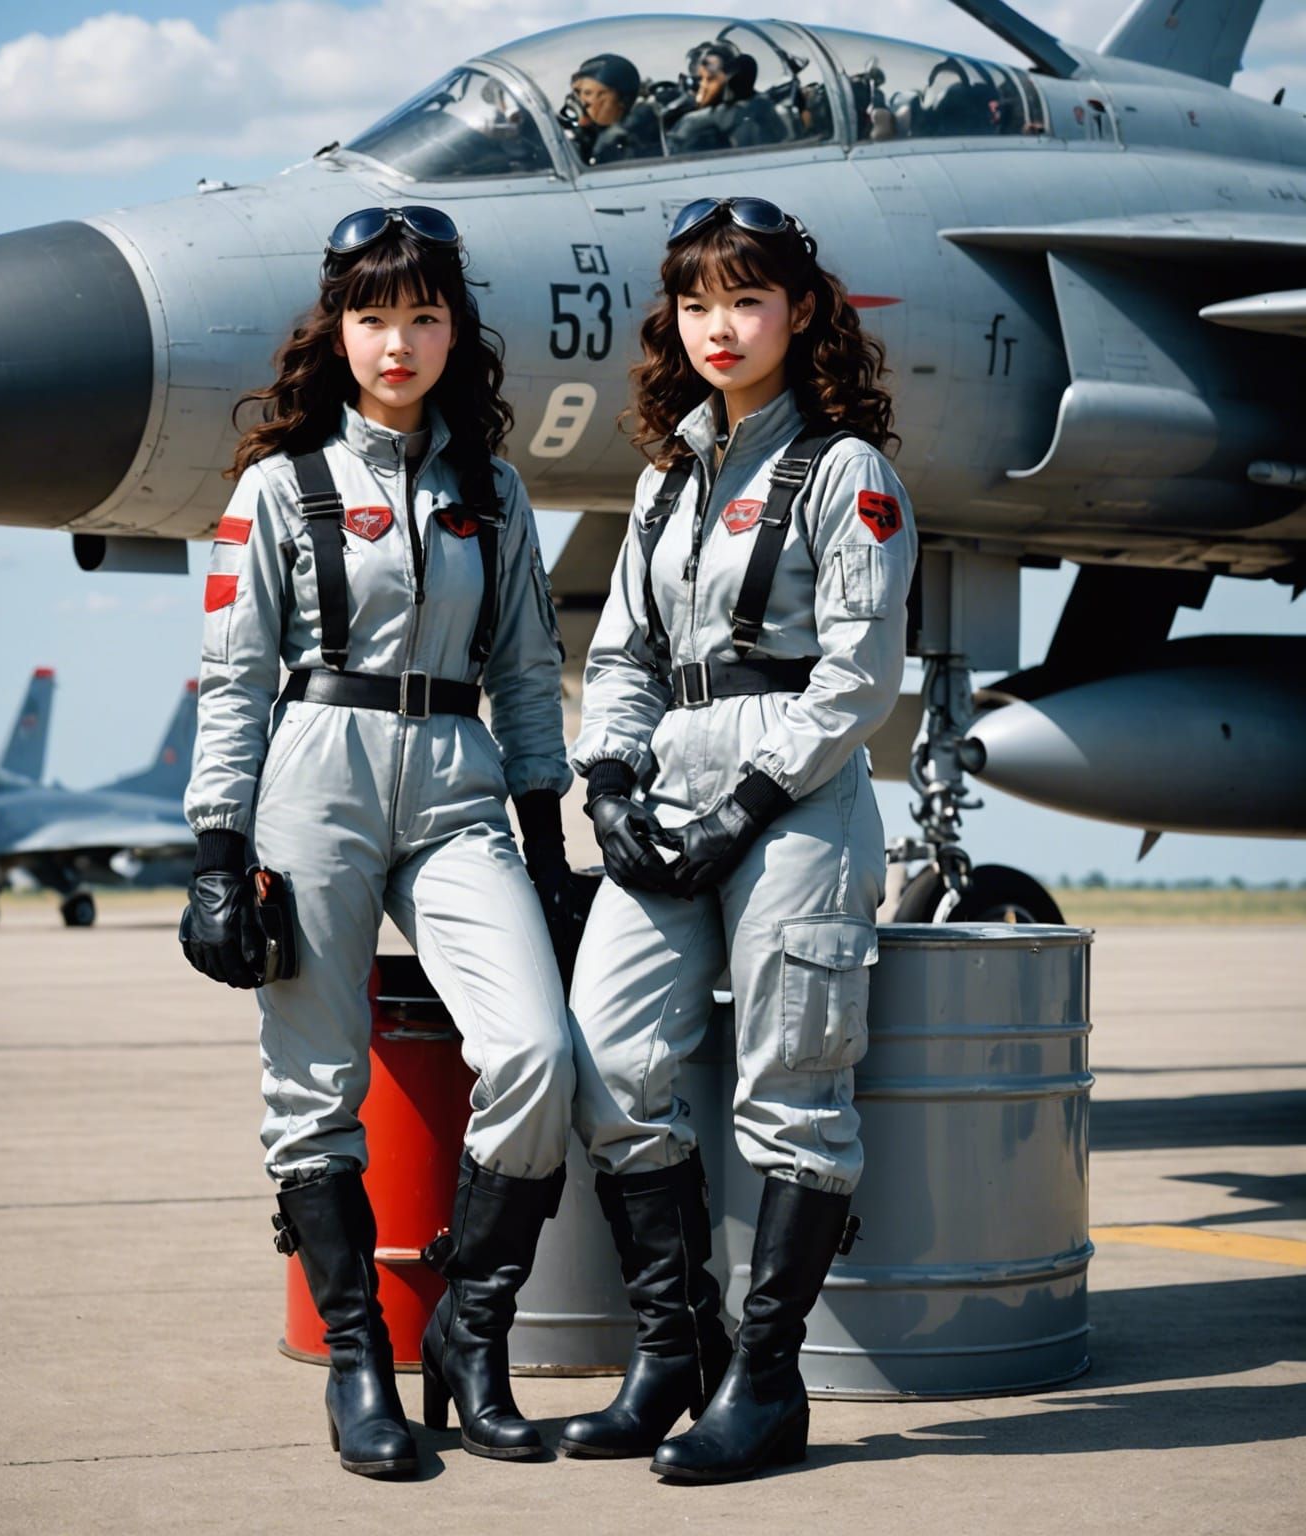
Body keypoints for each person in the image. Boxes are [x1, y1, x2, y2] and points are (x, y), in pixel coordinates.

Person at [180, 204, 576, 1478]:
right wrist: (213, 850)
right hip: (315, 777)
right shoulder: (276, 489)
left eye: (421, 316)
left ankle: (470, 1332)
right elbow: (233, 681)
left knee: (534, 1049)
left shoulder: (492, 490)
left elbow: (526, 674)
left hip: (460, 785)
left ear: (457, 329)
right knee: (313, 1087)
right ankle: (361, 1366)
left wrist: (548, 840)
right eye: (371, 317)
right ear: (335, 331)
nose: (396, 343)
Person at [557, 197, 916, 1482]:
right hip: (665, 788)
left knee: (793, 1090)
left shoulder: (846, 473)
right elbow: (624, 652)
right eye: (700, 303)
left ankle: (767, 1385)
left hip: (798, 803)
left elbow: (860, 678)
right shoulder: (665, 477)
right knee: (603, 1062)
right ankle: (677, 1356)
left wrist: (751, 805)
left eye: (748, 300)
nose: (723, 326)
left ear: (802, 312)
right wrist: (606, 789)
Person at [667, 41, 787, 154]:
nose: (702, 86)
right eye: (699, 79)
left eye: (710, 79)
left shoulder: (695, 121)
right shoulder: (761, 104)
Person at [567, 52, 663, 165]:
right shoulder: (576, 141)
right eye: (579, 95)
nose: (584, 104)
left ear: (623, 100)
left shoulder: (643, 135)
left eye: (589, 93)